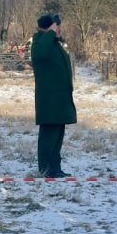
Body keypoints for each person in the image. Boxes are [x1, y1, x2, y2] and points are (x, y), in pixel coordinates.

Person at [30, 12, 77, 178]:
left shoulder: (53, 44)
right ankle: (46, 168)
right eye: (57, 27)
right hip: (49, 100)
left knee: (57, 136)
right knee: (48, 136)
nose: (59, 30)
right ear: (50, 27)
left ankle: (55, 167)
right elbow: (39, 54)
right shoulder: (40, 43)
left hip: (60, 100)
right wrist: (50, 32)